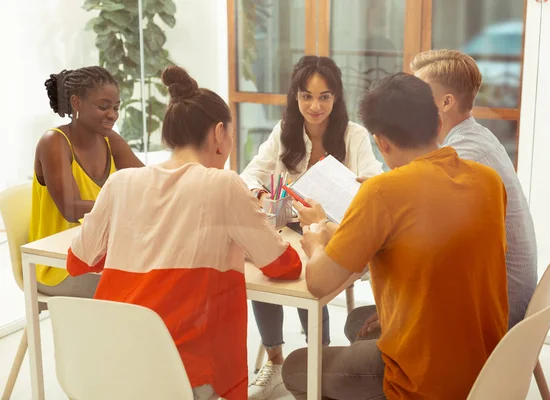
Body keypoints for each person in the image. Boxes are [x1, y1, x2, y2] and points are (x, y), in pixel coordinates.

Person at [66, 65, 303, 400]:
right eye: (231, 135)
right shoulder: (222, 184)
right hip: (183, 373)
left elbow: (78, 262)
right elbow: (284, 265)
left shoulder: (121, 183)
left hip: (111, 365)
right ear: (219, 133)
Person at [282, 72, 509, 400]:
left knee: (296, 367)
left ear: (381, 142)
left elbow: (319, 282)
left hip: (425, 378)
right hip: (485, 363)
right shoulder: (488, 180)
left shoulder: (383, 192)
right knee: (360, 321)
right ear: (437, 123)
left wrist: (316, 240)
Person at [240, 55, 382, 399]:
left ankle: (319, 354)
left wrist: (362, 186)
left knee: (312, 283)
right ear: (296, 97)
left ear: (336, 97)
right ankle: (275, 359)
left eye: (324, 96)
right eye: (306, 96)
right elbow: (249, 175)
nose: (315, 106)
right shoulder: (283, 132)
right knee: (265, 266)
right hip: (287, 229)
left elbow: (376, 181)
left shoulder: (354, 134)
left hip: (335, 232)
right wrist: (259, 193)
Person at [411, 49, 537, 328]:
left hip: (495, 311)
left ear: (446, 102)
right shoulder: (475, 137)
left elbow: (429, 239)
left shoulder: (465, 156)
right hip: (501, 297)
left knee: (367, 319)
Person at [31, 66, 143, 299]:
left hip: (99, 254)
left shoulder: (110, 140)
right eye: (103, 106)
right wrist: (121, 203)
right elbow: (71, 209)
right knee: (145, 288)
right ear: (76, 103)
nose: (112, 114)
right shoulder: (55, 142)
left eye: (116, 107)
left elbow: (147, 182)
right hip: (59, 266)